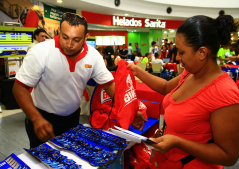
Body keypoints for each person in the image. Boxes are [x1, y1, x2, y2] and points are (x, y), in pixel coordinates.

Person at [13, 13, 145, 148]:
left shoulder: (93, 56)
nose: (69, 44)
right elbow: (19, 88)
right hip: (40, 117)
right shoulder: (40, 51)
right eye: (65, 37)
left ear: (86, 37)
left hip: (72, 118)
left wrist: (129, 112)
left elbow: (110, 85)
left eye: (76, 39)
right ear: (59, 31)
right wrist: (36, 119)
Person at [127, 15, 239, 168]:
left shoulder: (225, 93)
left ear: (202, 53)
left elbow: (229, 156)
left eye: (182, 53)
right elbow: (165, 87)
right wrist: (137, 71)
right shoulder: (190, 74)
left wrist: (178, 142)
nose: (176, 58)